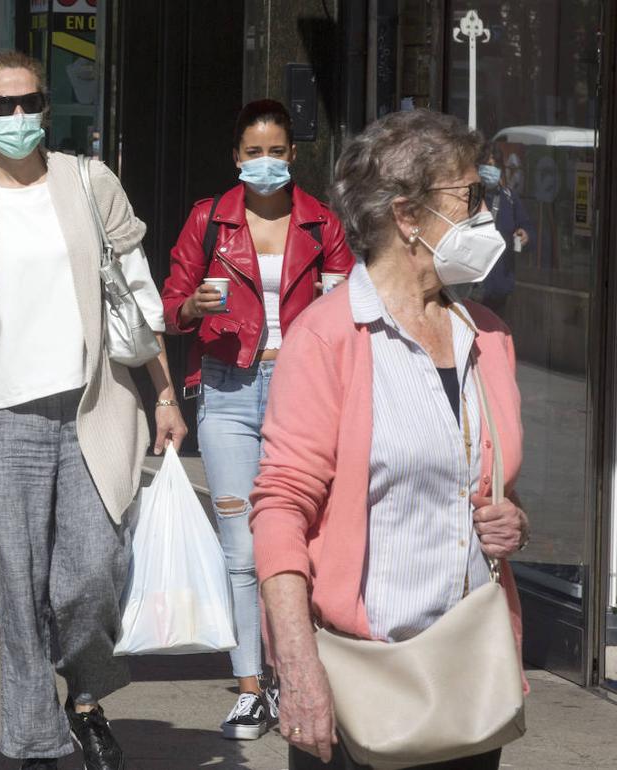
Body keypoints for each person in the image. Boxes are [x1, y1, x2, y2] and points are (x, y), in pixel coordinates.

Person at [0, 50, 188, 770]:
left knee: (93, 572)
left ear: (45, 106)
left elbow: (137, 292)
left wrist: (164, 391)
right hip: (5, 416)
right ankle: (36, 741)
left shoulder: (90, 182)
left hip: (96, 402)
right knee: (23, 584)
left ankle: (87, 694)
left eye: (29, 101)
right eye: (1, 106)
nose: (17, 117)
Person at [250, 109, 529, 770]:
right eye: (469, 198)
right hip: (363, 684)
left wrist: (509, 519)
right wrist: (298, 667)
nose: (484, 215)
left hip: (467, 679)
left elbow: (481, 484)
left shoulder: (486, 335)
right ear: (407, 215)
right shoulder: (328, 338)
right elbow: (281, 510)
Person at [159, 99, 355, 741]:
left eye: (276, 151)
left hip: (306, 392)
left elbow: (358, 302)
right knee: (241, 546)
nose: (264, 162)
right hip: (229, 390)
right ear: (236, 156)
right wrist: (194, 302)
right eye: (253, 152)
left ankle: (299, 673)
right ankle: (251, 687)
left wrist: (337, 297)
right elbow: (169, 309)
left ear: (293, 155)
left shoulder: (323, 223)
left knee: (306, 536)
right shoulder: (209, 220)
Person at [476, 144, 533, 317]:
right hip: (472, 284)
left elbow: (526, 225)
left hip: (500, 283)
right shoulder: (470, 196)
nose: (490, 170)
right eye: (487, 165)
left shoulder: (510, 198)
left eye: (495, 166)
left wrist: (525, 234)